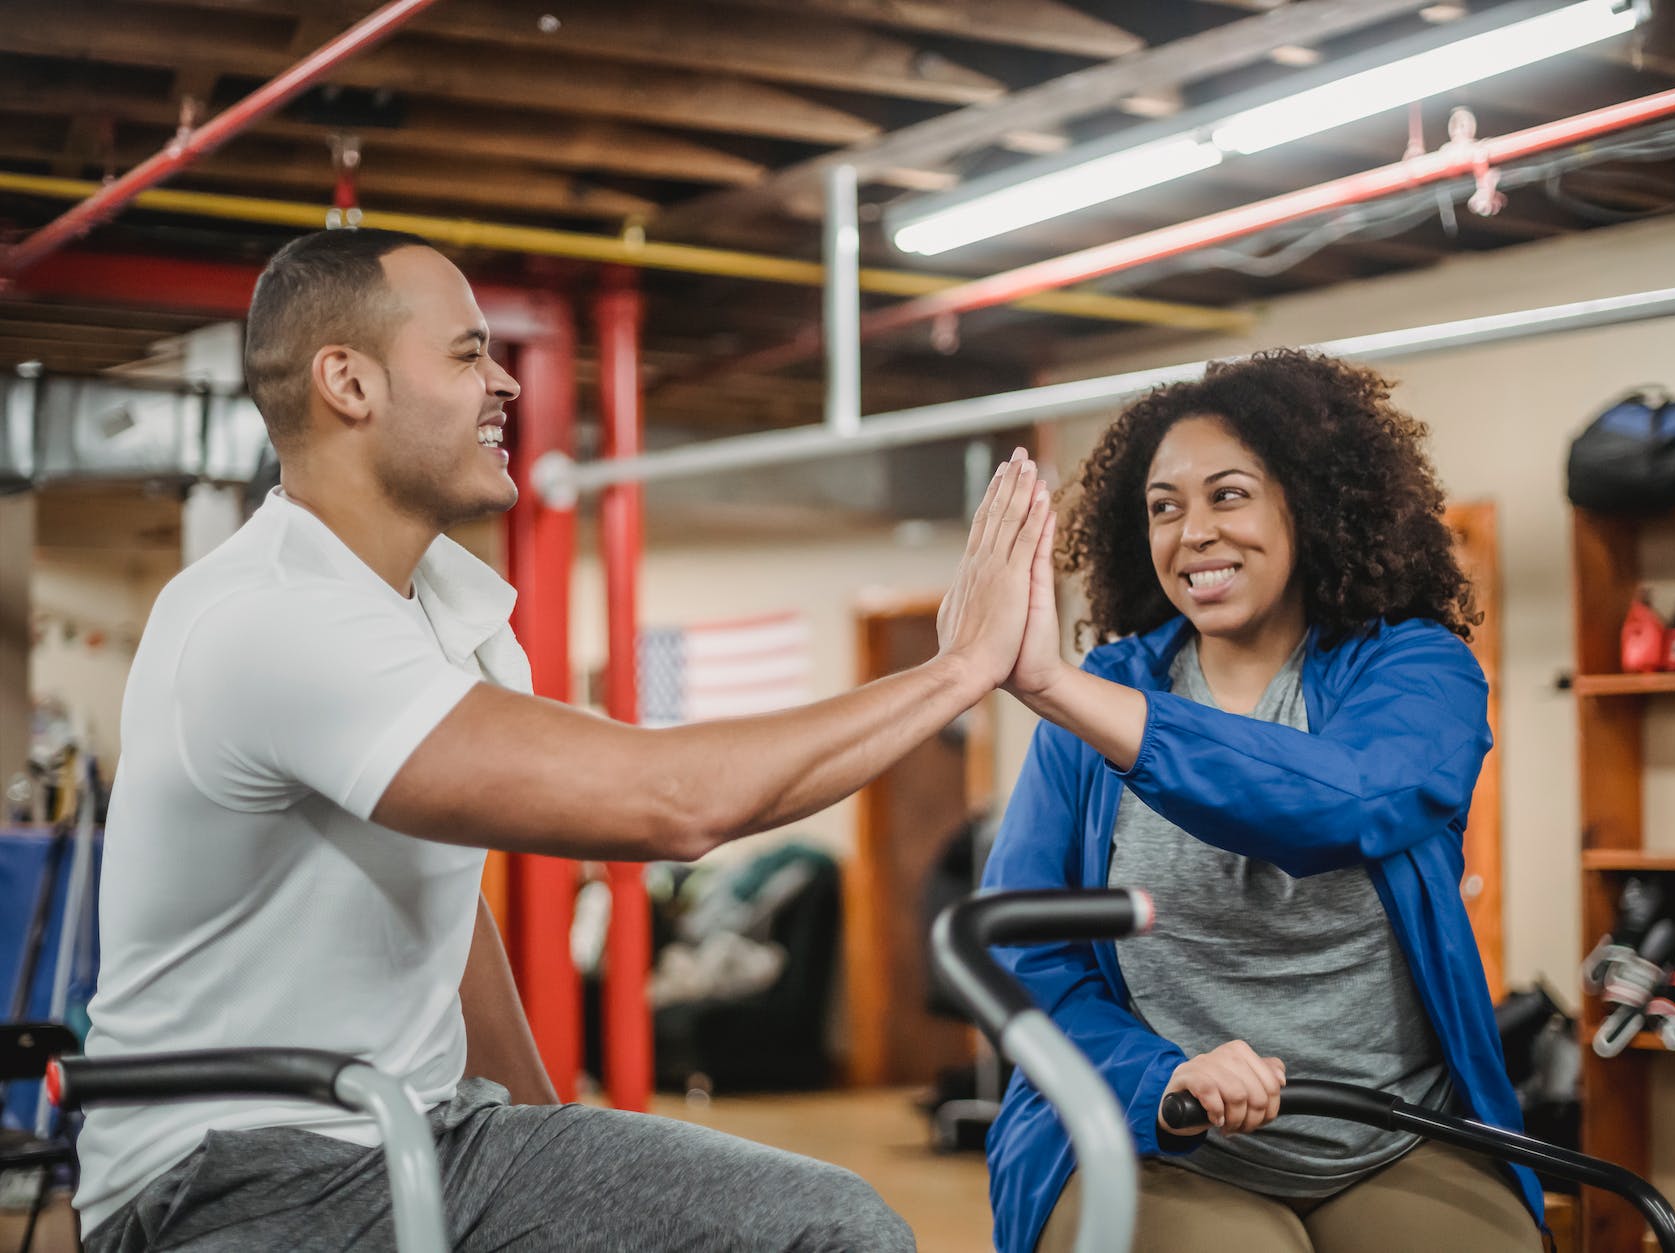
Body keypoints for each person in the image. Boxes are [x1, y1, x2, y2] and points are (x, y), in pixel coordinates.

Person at [76, 227, 1054, 1252]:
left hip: (429, 1136)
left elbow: (445, 914)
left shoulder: (447, 611)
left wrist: (557, 1140)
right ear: (347, 382)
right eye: (465, 353)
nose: (503, 381)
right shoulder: (272, 614)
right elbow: (671, 803)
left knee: (827, 1227)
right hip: (228, 1174)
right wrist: (955, 670)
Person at [982, 351, 1546, 1252]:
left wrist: (1065, 691)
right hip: (1157, 1138)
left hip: (1387, 1134)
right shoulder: (1099, 702)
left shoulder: (1417, 669)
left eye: (1229, 495)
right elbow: (1024, 950)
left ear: (1308, 505)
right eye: (1165, 506)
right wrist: (1159, 1076)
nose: (1192, 531)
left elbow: (1344, 802)